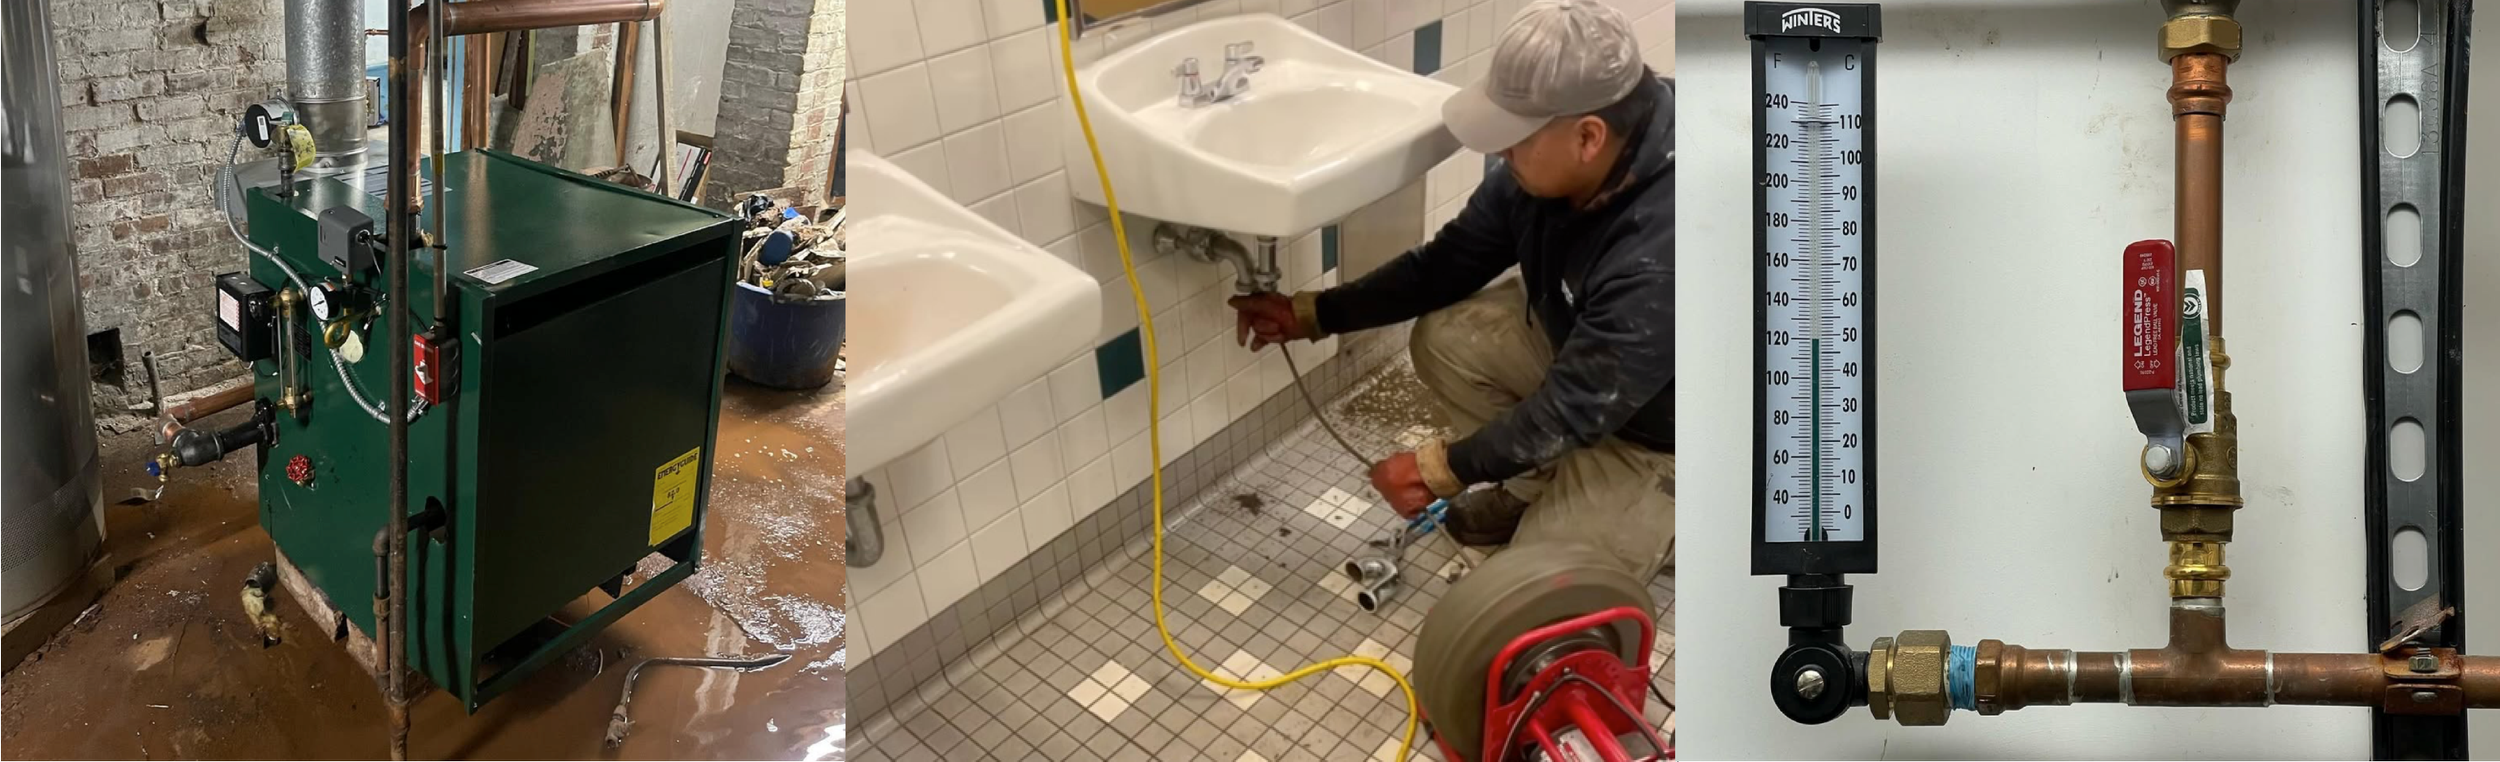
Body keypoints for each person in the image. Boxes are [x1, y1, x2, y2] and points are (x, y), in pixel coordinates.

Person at [1230, 0, 1674, 581]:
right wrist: (1313, 314)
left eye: (1515, 139)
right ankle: (1533, 484)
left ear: (1588, 138)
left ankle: (1670, 512)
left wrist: (1438, 470)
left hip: (1663, 432)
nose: (1500, 152)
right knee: (1449, 338)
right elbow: (1444, 267)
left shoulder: (1667, 243)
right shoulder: (1557, 168)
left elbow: (1576, 404)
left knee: (1541, 590)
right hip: (1593, 368)